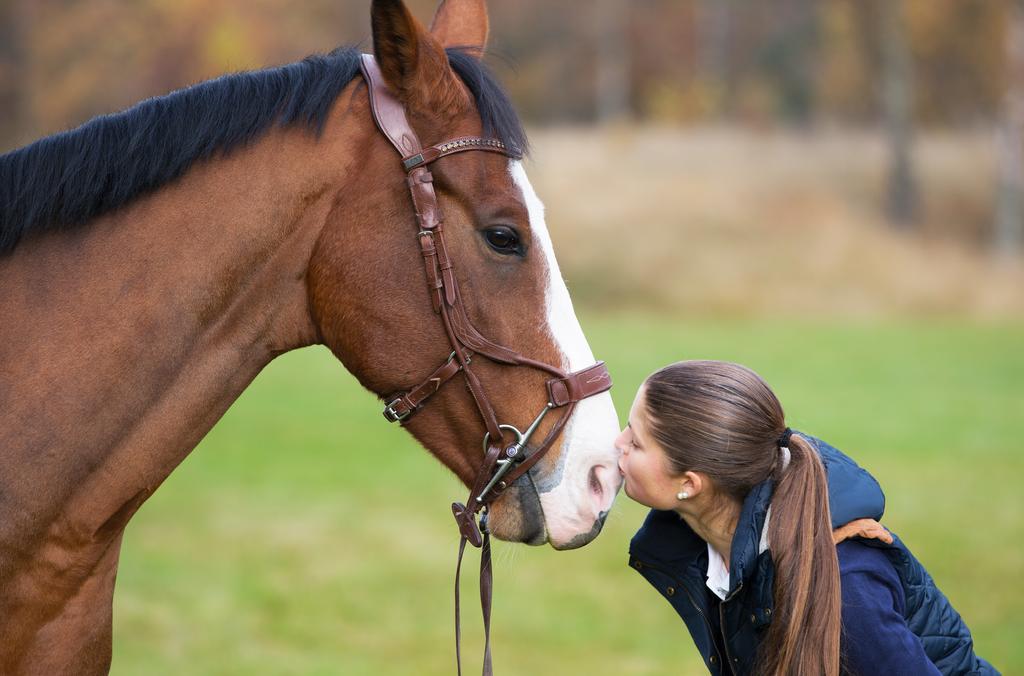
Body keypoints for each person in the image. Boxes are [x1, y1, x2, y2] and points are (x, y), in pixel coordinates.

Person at [617, 360, 998, 675]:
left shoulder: (848, 586)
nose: (617, 443)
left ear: (690, 483)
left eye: (635, 442)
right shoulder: (707, 549)